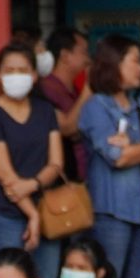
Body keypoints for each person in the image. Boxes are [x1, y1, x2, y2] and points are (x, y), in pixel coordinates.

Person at [74, 35, 140, 278]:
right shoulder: (96, 107)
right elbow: (117, 158)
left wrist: (135, 150)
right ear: (114, 63)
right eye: (135, 61)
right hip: (110, 210)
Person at [0, 43, 66, 271]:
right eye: (9, 71)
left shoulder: (46, 111)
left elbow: (56, 163)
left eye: (23, 70)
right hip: (7, 215)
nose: (16, 76)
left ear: (35, 75)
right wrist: (32, 216)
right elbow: (6, 177)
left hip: (49, 213)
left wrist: (33, 184)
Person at [36, 25, 91, 193]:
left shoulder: (74, 90)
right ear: (65, 56)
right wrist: (89, 87)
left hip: (82, 178)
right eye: (83, 52)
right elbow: (66, 127)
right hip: (61, 182)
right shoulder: (45, 89)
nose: (88, 59)